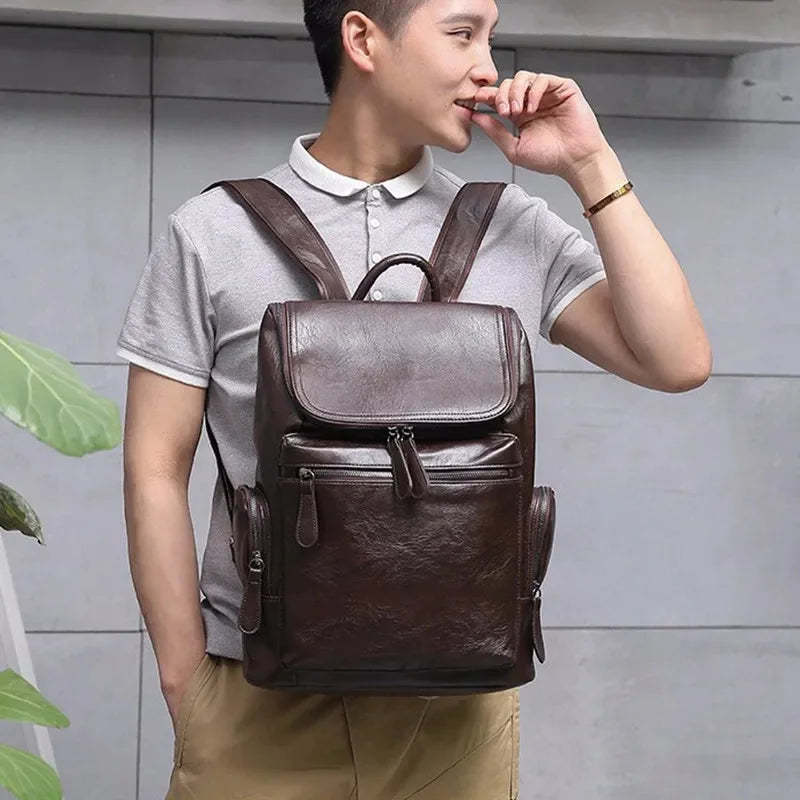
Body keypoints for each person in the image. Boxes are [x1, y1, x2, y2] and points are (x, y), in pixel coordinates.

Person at [117, 1, 712, 798]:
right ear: (363, 39)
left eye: (490, 37)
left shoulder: (511, 225)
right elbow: (155, 466)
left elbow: (677, 360)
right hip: (256, 700)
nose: (489, 67)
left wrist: (591, 164)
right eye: (462, 34)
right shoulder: (213, 232)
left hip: (458, 715)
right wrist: (184, 680)